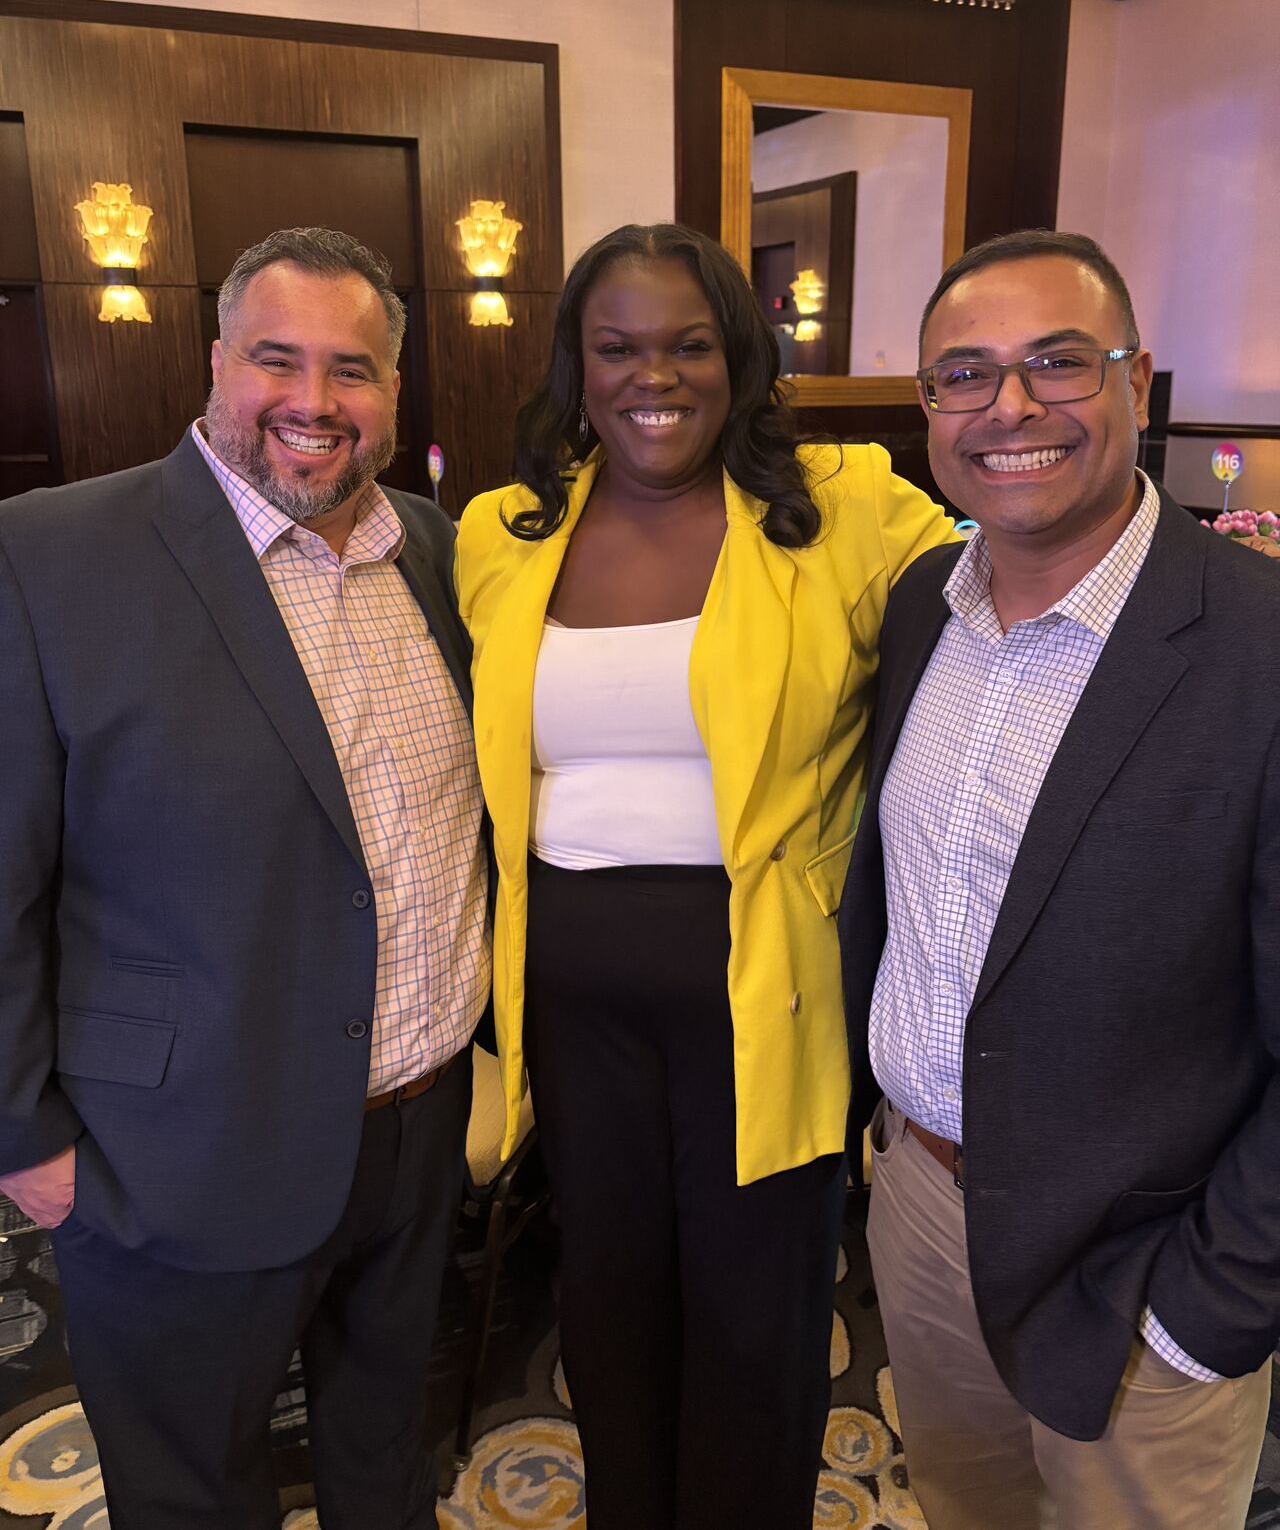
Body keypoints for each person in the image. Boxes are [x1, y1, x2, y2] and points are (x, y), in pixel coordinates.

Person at [454, 222, 954, 1530]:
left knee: (757, 1313)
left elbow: (999, 589)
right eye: (617, 346)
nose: (652, 376)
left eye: (687, 344)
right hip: (569, 995)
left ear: (738, 357)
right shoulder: (505, 532)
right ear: (576, 361)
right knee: (609, 1299)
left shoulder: (847, 512)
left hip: (763, 984)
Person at [0, 227, 490, 1530]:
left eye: (354, 368)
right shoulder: (48, 555)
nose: (315, 402)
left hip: (417, 1117)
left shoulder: (438, 556)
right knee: (193, 1482)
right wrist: (23, 1139)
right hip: (174, 1149)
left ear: (393, 386)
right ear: (216, 359)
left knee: (386, 1438)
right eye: (278, 358)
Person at [838, 228, 1280, 1530]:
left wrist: (1210, 1312)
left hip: (1145, 1266)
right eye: (962, 375)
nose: (1010, 406)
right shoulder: (923, 604)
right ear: (926, 410)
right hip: (924, 1218)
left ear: (1140, 383)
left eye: (1059, 362)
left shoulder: (1258, 650)